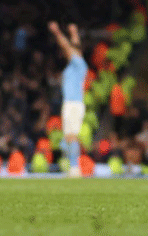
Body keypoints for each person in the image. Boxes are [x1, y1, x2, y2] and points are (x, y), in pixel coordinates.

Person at [48, 21, 89, 178]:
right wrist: (73, 32)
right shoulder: (77, 64)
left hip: (73, 103)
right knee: (68, 137)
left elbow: (68, 47)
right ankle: (72, 165)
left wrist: (57, 31)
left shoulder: (78, 63)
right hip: (71, 103)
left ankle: (74, 167)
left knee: (70, 137)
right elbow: (74, 47)